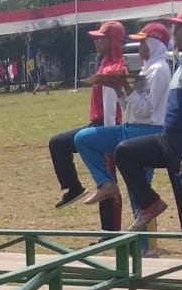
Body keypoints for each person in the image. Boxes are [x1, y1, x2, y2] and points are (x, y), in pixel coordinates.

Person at [115, 3, 182, 258]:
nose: (174, 32)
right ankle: (149, 202)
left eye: (179, 27)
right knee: (125, 152)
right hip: (168, 138)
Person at [49, 20, 132, 208]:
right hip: (99, 124)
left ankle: (108, 230)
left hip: (105, 125)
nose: (96, 42)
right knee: (104, 182)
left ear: (111, 41)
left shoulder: (113, 68)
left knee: (59, 143)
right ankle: (75, 189)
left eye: (100, 39)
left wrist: (107, 138)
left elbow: (112, 105)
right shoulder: (105, 63)